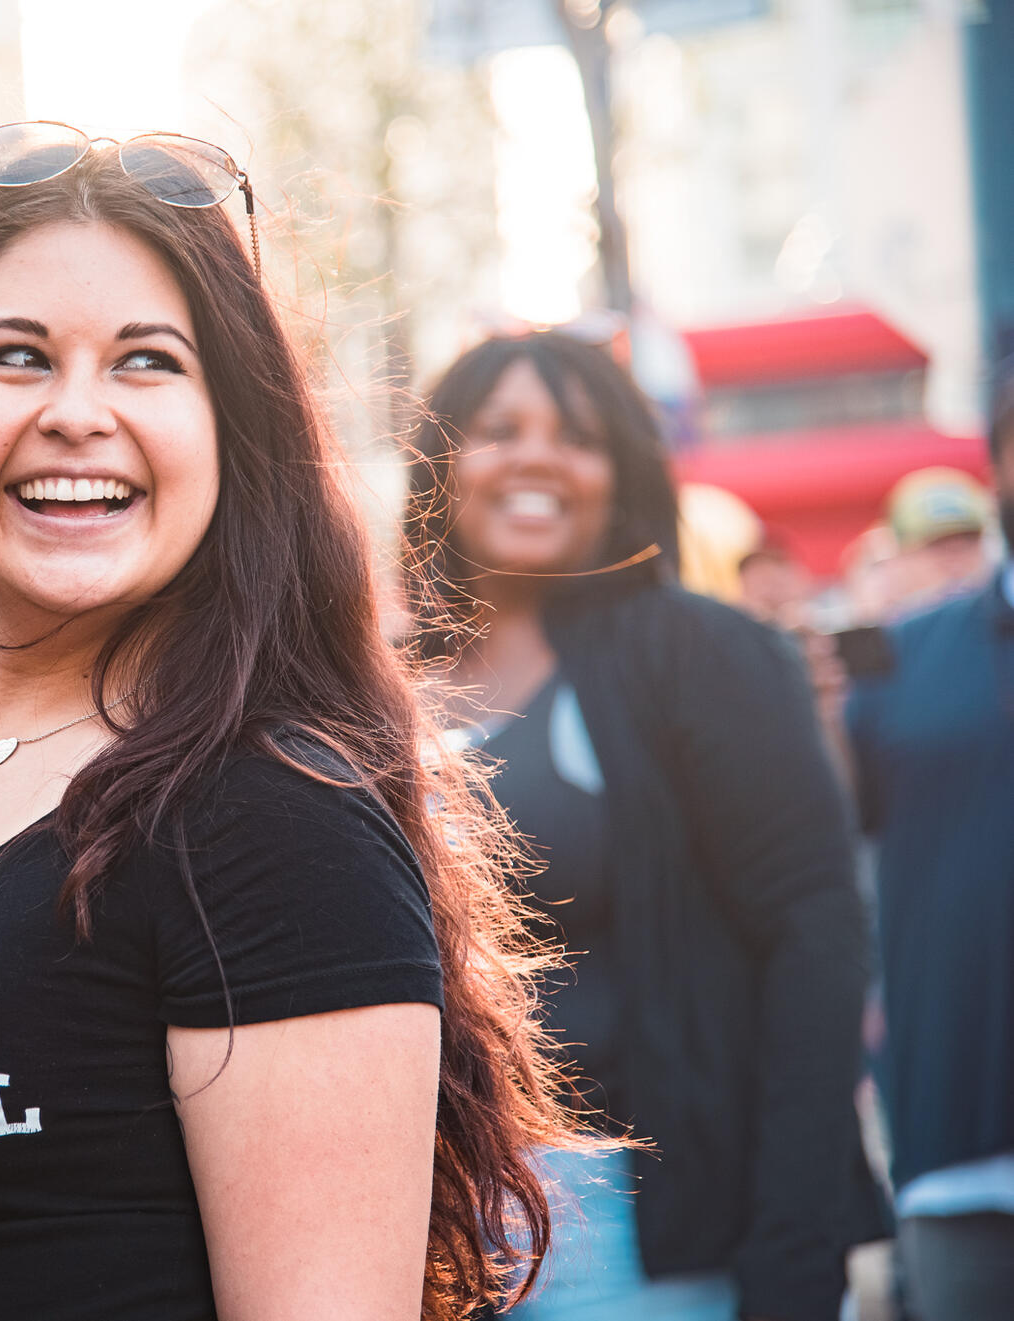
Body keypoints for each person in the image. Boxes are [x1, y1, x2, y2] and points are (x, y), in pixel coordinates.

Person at [0, 121, 586, 1320]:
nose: (78, 412)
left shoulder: (268, 822)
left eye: (148, 362)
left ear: (229, 432)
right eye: (16, 357)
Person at [402, 329, 881, 1320]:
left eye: (576, 435)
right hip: (427, 1237)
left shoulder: (703, 654)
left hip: (646, 1242)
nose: (536, 455)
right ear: (440, 462)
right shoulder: (376, 685)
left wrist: (794, 1241)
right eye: (499, 430)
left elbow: (816, 935)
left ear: (619, 470)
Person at [831, 383, 1014, 1321]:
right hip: (955, 1126)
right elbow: (823, 843)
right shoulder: (885, 659)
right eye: (930, 545)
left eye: (962, 541)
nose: (951, 563)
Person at [882, 465, 996, 614]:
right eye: (938, 547)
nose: (956, 562)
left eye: (969, 542)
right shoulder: (884, 630)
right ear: (900, 556)